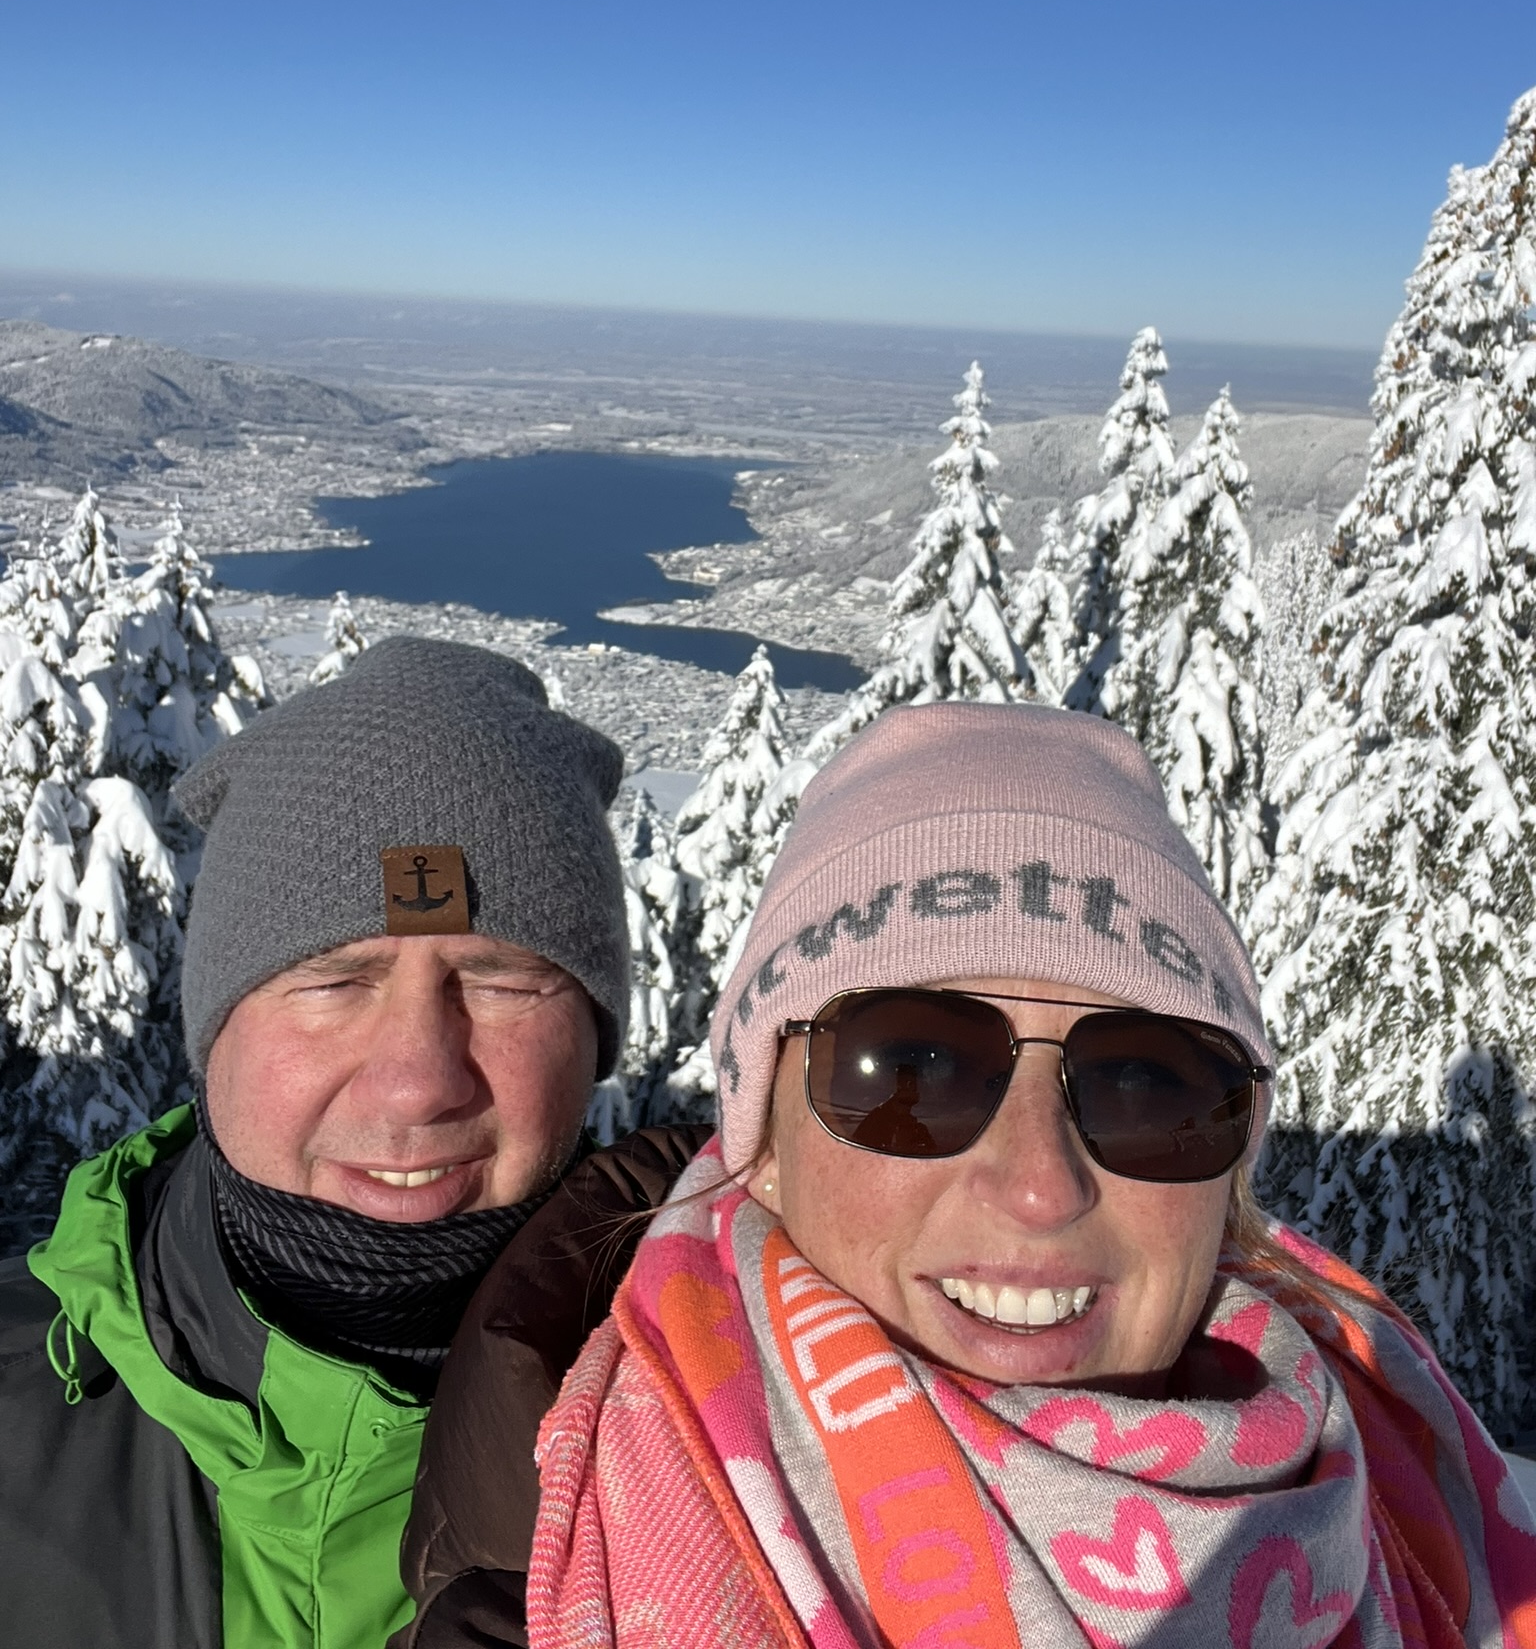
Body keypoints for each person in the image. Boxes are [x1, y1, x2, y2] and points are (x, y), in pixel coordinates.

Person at [412, 700, 1536, 1647]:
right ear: (764, 1147)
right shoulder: (535, 1598)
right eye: (912, 1070)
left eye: (1147, 1084)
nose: (1040, 1185)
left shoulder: (1419, 1509)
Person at [0, 635, 704, 1649]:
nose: (419, 1078)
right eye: (335, 981)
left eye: (500, 980)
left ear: (592, 1042)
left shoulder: (741, 1449)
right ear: (214, 1032)